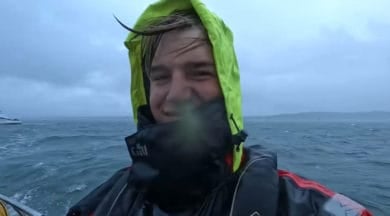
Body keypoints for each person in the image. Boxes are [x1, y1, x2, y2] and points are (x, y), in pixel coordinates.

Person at [67, 0, 372, 215]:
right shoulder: (105, 202)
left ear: (228, 87)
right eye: (160, 77)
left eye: (199, 72)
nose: (174, 95)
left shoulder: (304, 205)